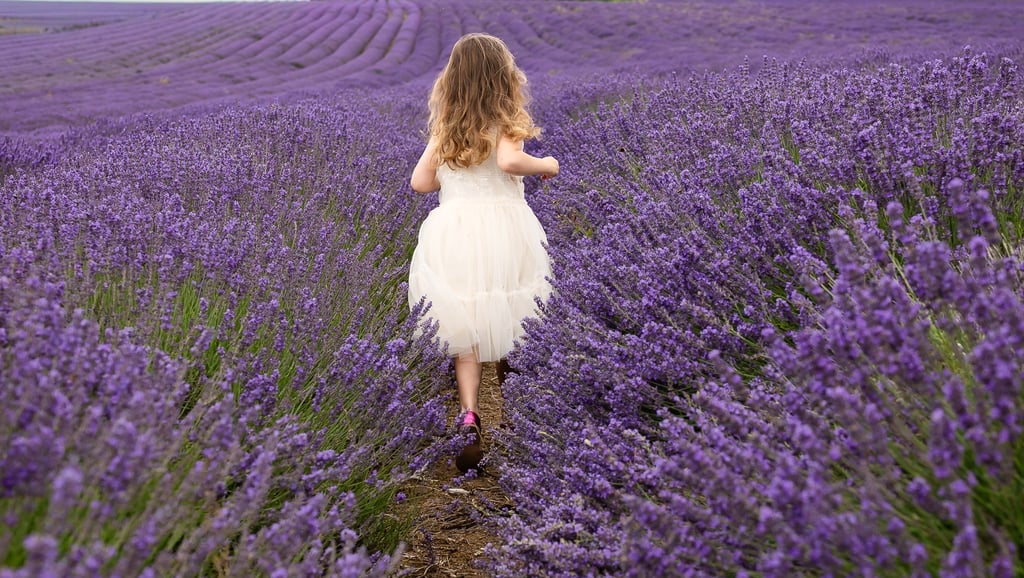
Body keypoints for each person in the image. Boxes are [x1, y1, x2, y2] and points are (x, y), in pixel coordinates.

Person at [408, 33, 559, 472]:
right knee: (516, 318)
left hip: (455, 231)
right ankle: (513, 420)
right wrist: (546, 164)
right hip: (505, 229)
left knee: (467, 334)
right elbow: (512, 163)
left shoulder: (447, 127)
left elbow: (420, 182)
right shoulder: (506, 121)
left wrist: (453, 174)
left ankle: (470, 415)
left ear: (452, 81)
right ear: (503, 77)